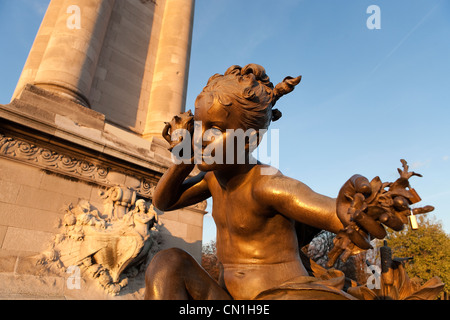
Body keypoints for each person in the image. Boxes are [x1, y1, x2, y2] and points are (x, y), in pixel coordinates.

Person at [144, 64, 393, 300]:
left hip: (280, 295)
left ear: (248, 140)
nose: (201, 137)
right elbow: (164, 201)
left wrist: (360, 208)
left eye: (215, 129)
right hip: (229, 299)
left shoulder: (267, 184)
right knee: (168, 264)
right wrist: (183, 160)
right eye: (198, 126)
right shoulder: (212, 179)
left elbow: (332, 213)